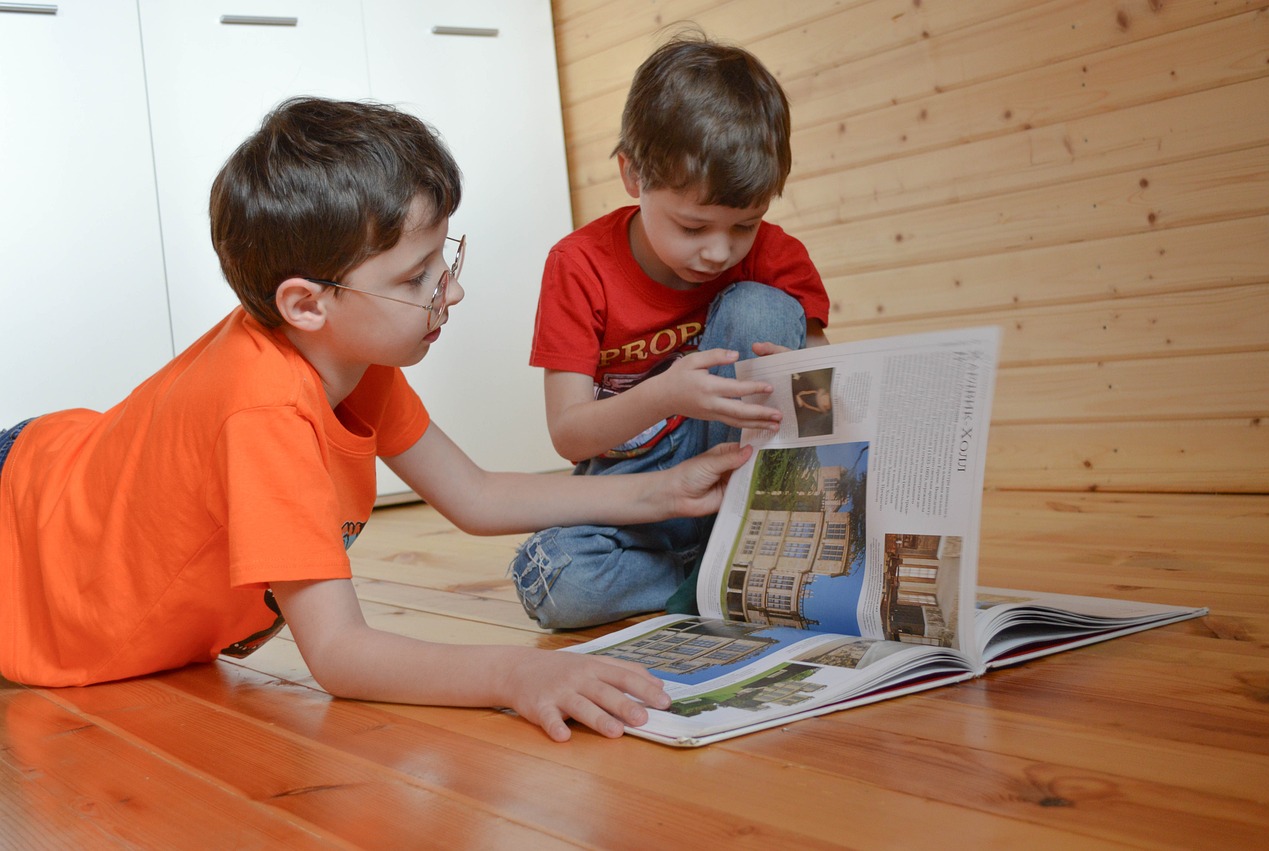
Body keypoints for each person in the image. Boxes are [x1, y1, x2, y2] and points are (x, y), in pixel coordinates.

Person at [0, 97, 756, 743]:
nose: (449, 293)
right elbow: (339, 653)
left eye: (443, 260)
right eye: (415, 277)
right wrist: (516, 670)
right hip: (21, 539)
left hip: (55, 467)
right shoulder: (266, 406)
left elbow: (475, 494)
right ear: (307, 302)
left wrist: (663, 490)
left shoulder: (348, 354)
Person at [510, 31, 830, 630]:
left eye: (745, 225)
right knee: (553, 576)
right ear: (633, 176)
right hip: (634, 490)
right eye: (693, 226)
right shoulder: (579, 264)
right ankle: (716, 571)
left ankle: (728, 551)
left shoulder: (775, 255)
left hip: (738, 480)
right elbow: (571, 435)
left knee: (760, 306)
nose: (719, 250)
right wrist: (665, 393)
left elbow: (826, 387)